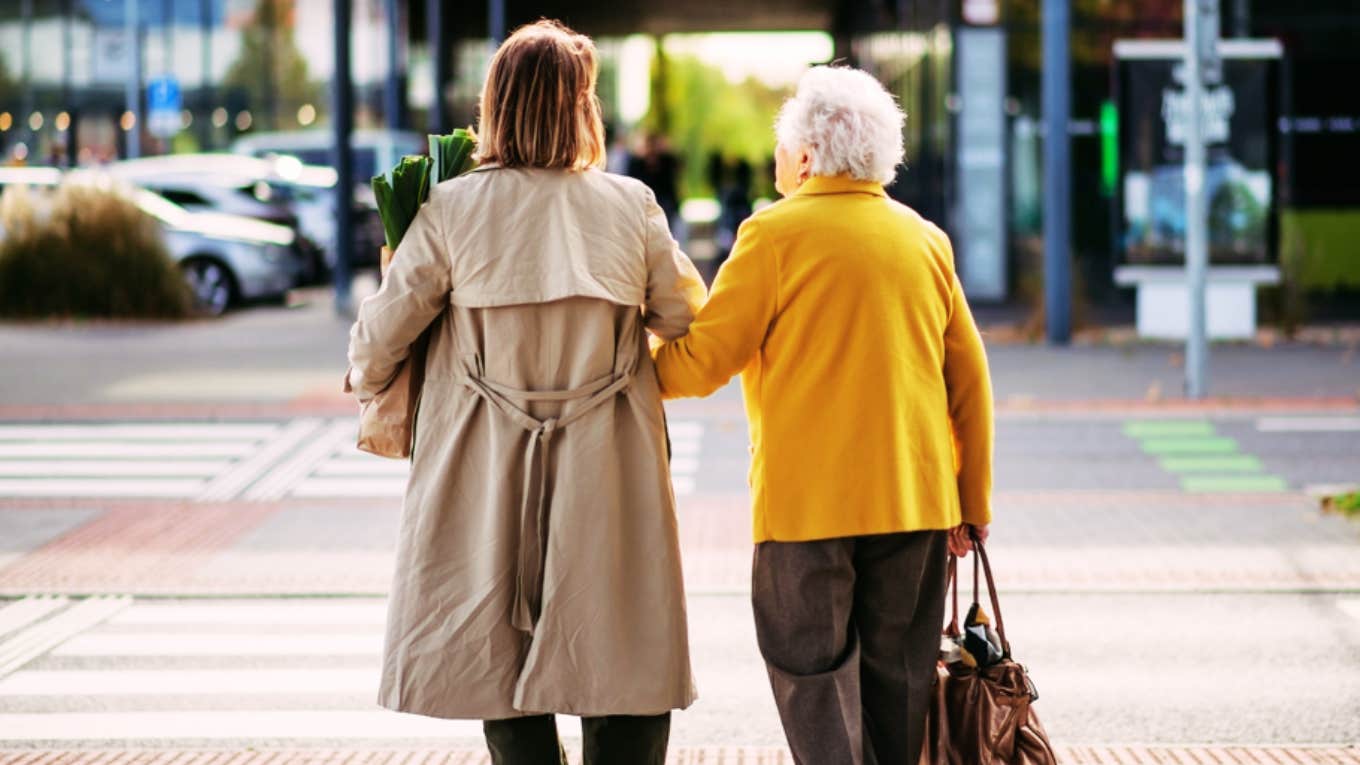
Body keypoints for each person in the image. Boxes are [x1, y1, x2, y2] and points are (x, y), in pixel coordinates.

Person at [346, 20, 706, 765]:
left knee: (498, 663)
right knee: (621, 652)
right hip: (608, 464)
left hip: (486, 466)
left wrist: (378, 380)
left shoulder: (450, 210)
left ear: (496, 106)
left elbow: (377, 343)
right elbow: (682, 316)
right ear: (581, 107)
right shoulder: (630, 205)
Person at [652, 65, 995, 765]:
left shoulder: (772, 236)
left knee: (811, 673)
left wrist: (630, 369)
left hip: (805, 508)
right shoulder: (924, 239)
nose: (778, 158)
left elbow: (705, 360)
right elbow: (970, 379)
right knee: (900, 678)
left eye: (782, 145)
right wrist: (973, 499)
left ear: (805, 156)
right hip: (915, 501)